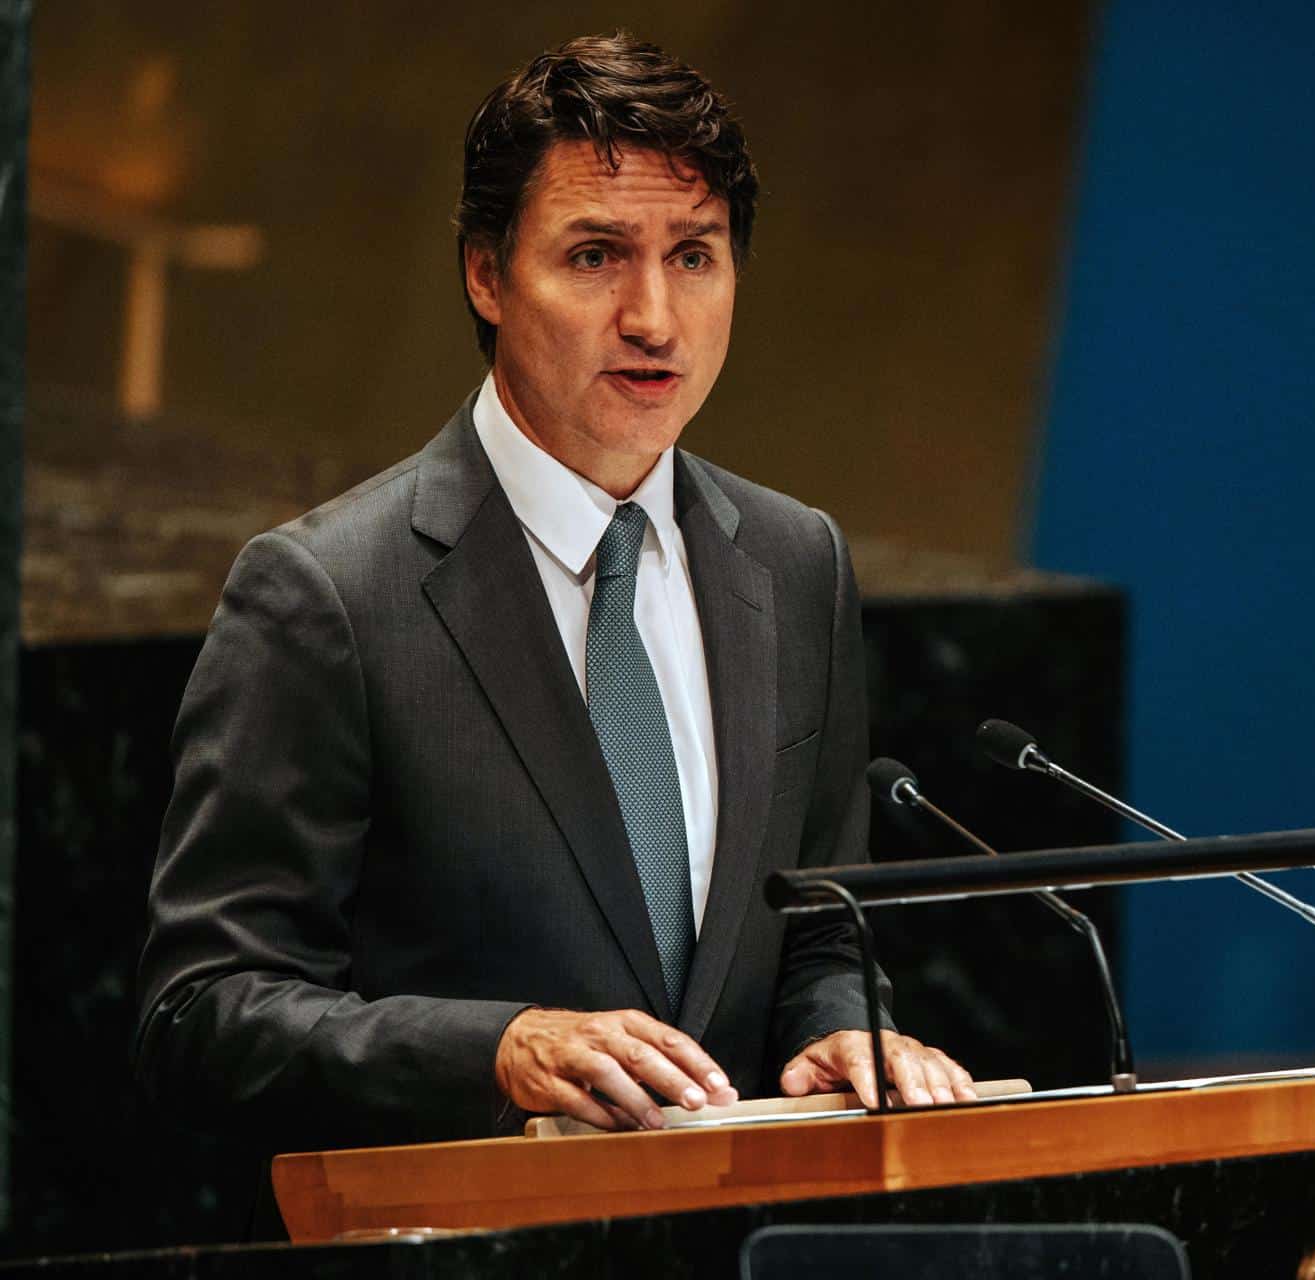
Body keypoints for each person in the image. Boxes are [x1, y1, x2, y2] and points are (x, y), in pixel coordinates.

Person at [134, 32, 973, 1158]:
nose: (654, 318)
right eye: (594, 256)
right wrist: (496, 1049)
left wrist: (839, 1032)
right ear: (486, 271)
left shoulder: (795, 561)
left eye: (694, 256)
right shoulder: (326, 594)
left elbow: (816, 934)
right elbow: (204, 1012)